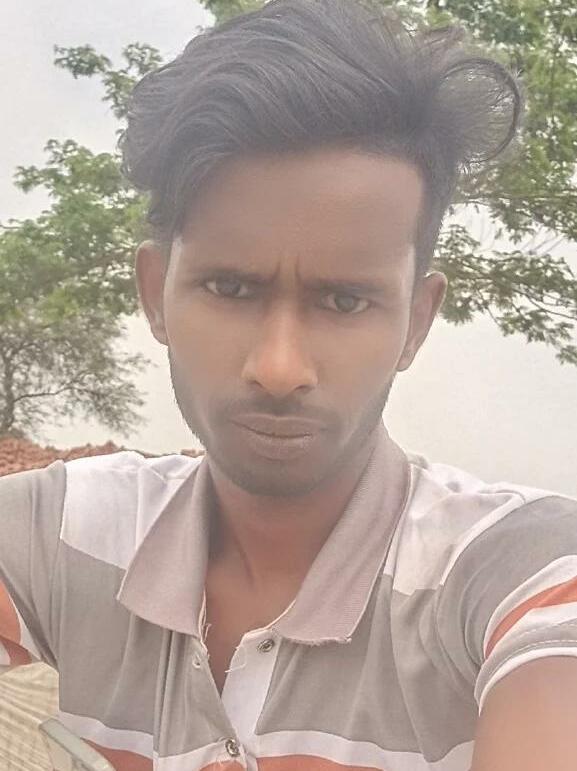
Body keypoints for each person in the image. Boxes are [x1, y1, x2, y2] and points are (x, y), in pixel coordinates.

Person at [1, 0, 576, 769]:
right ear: (154, 292)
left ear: (416, 320)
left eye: (344, 301)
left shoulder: (514, 573)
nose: (278, 367)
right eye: (230, 288)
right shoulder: (57, 535)